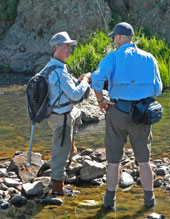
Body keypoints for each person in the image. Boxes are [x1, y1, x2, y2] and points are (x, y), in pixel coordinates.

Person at [90, 22, 163, 209]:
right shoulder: (149, 58)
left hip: (117, 112)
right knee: (145, 161)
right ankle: (149, 202)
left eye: (114, 37)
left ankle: (109, 203)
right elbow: (158, 89)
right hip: (142, 115)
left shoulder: (112, 57)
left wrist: (100, 101)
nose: (114, 41)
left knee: (113, 161)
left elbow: (96, 81)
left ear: (120, 37)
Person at [46, 31, 91, 196]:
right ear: (57, 47)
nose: (70, 49)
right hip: (60, 117)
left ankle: (68, 160)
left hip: (59, 113)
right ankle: (57, 190)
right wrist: (85, 81)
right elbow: (76, 95)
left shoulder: (54, 66)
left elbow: (66, 91)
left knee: (65, 147)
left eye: (70, 46)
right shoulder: (58, 70)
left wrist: (79, 82)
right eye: (67, 46)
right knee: (60, 153)